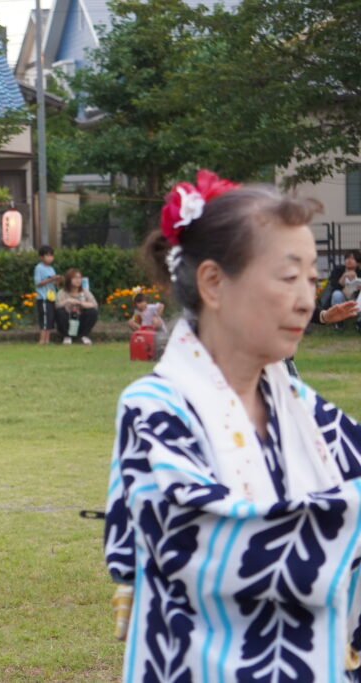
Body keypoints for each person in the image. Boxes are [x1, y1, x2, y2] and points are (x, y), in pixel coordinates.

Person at [104, 170, 361, 680]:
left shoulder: (307, 413)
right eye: (289, 277)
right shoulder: (154, 409)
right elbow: (211, 543)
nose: (308, 300)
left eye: (312, 278)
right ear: (214, 283)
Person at [54, 268, 98, 345]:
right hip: (68, 320)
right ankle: (66, 336)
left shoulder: (85, 292)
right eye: (75, 278)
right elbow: (56, 305)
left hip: (80, 319)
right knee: (59, 312)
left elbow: (94, 304)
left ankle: (84, 335)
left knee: (92, 311)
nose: (78, 280)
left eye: (79, 278)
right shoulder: (62, 292)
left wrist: (80, 303)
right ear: (69, 280)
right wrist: (67, 301)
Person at [33, 245, 61, 345]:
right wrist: (51, 279)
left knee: (50, 318)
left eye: (51, 256)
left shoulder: (51, 269)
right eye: (47, 256)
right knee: (44, 318)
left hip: (51, 297)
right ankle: (42, 340)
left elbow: (55, 284)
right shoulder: (38, 268)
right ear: (41, 257)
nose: (50, 258)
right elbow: (38, 283)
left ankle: (47, 340)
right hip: (43, 297)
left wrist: (57, 280)